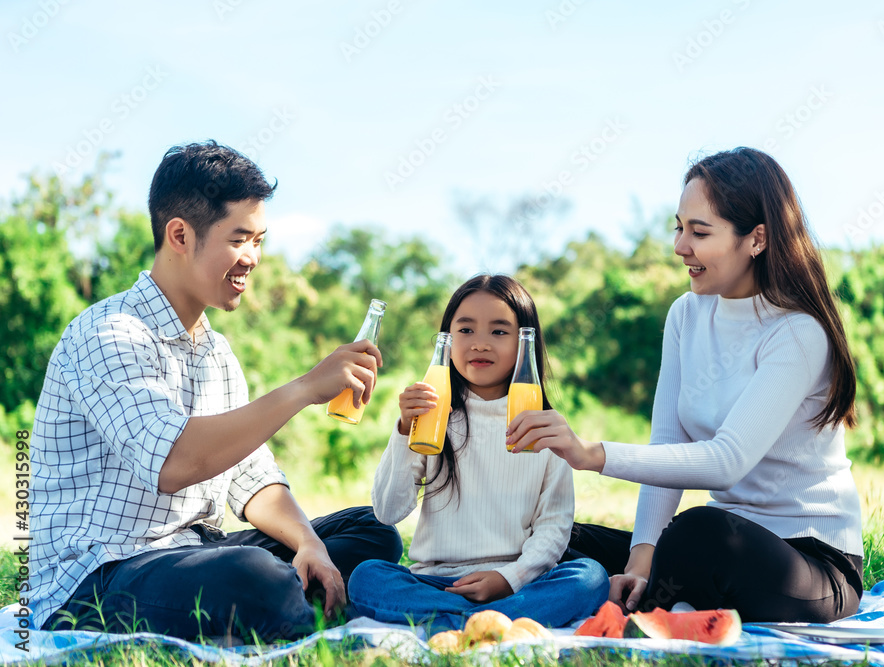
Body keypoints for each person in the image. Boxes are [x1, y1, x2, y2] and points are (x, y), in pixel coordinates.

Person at [29, 140, 402, 641]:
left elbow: (252, 479)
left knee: (370, 532)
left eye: (259, 239)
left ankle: (299, 596)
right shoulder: (108, 334)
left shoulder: (216, 352)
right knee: (249, 573)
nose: (253, 258)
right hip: (99, 575)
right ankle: (309, 605)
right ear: (180, 235)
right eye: (239, 238)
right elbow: (175, 463)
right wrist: (305, 388)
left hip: (193, 552)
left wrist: (310, 543)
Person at [507, 147, 864, 624]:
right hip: (708, 548)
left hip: (808, 564)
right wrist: (640, 555)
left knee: (698, 533)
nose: (680, 246)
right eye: (679, 227)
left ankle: (644, 606)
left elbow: (725, 463)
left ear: (756, 239)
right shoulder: (686, 314)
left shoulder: (797, 333)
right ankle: (649, 594)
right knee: (550, 533)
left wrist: (592, 454)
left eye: (699, 232)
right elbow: (669, 442)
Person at [348, 275, 609, 631]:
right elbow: (388, 511)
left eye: (499, 332)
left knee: (590, 577)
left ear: (525, 343)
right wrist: (404, 430)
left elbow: (553, 526)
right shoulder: (433, 417)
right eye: (466, 331)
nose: (480, 344)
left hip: (515, 583)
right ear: (447, 340)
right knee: (368, 576)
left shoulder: (545, 428)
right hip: (438, 582)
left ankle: (451, 621)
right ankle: (484, 622)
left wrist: (509, 577)